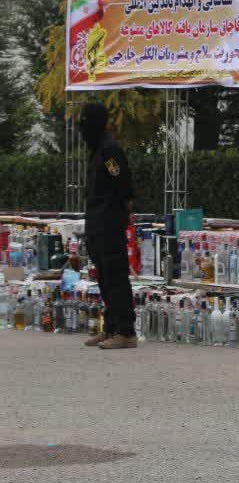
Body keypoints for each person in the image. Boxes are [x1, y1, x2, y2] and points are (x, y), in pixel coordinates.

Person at [79, 103, 137, 350]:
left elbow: (123, 186)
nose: (82, 129)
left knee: (116, 277)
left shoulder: (110, 150)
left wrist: (122, 214)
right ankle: (111, 327)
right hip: (95, 222)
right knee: (103, 277)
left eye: (85, 123)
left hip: (109, 222)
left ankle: (126, 331)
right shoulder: (97, 150)